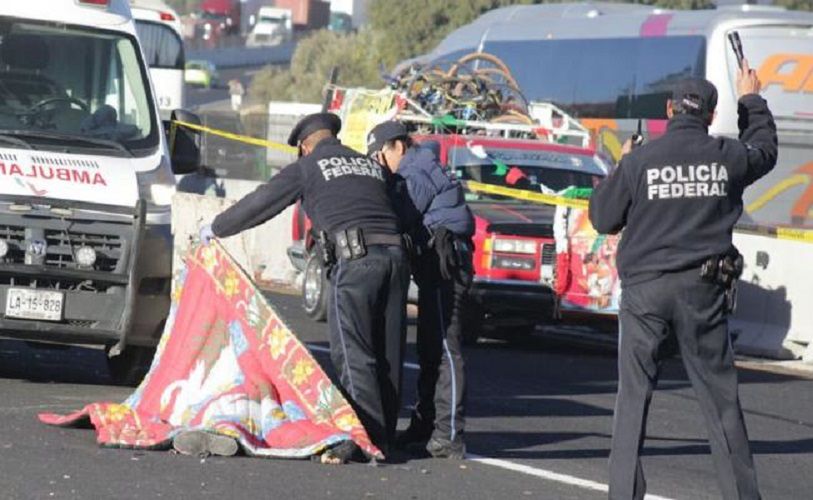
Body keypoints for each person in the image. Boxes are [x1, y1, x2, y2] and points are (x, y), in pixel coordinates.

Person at [589, 60, 776, 500]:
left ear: (670, 110)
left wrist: (621, 166)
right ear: (711, 116)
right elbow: (764, 151)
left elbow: (602, 218)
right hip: (703, 290)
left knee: (632, 400)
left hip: (645, 292)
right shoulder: (725, 155)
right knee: (721, 404)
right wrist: (751, 99)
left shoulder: (640, 161)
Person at [199, 113, 410, 462]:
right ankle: (386, 435)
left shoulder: (310, 166)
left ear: (303, 145)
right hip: (396, 259)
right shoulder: (368, 164)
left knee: (354, 352)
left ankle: (365, 439)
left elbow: (262, 202)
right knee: (389, 352)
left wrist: (217, 228)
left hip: (355, 261)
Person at [366, 121, 475, 459]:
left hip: (446, 264)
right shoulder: (415, 165)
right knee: (429, 348)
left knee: (444, 347)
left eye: (380, 154)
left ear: (398, 146)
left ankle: (450, 434)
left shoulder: (418, 167)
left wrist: (377, 185)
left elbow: (401, 211)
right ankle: (426, 426)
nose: (379, 162)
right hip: (435, 263)